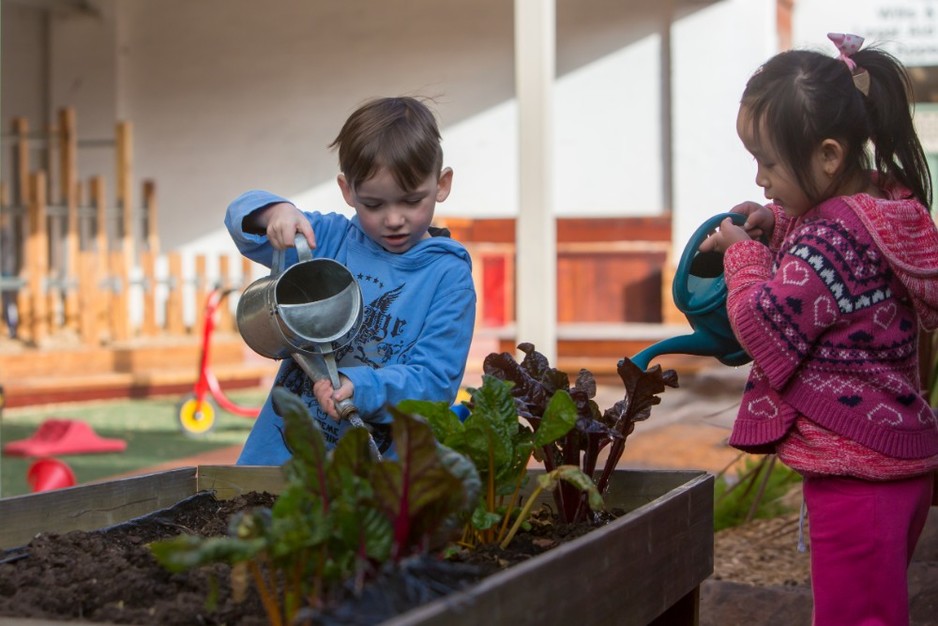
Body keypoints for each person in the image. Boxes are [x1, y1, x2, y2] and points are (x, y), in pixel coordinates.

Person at [699, 34, 938, 625]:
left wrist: (741, 256)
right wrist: (774, 221)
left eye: (770, 163)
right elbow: (829, 254)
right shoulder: (880, 208)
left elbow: (763, 322)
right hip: (892, 466)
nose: (759, 179)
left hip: (854, 477)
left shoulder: (830, 241)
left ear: (829, 157)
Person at [226, 96, 476, 463]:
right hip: (278, 460)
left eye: (411, 201)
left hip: (371, 477)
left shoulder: (448, 277)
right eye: (373, 204)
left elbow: (434, 384)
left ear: (442, 184)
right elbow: (242, 220)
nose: (393, 219)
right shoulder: (328, 240)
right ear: (348, 191)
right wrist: (276, 211)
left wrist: (362, 387)